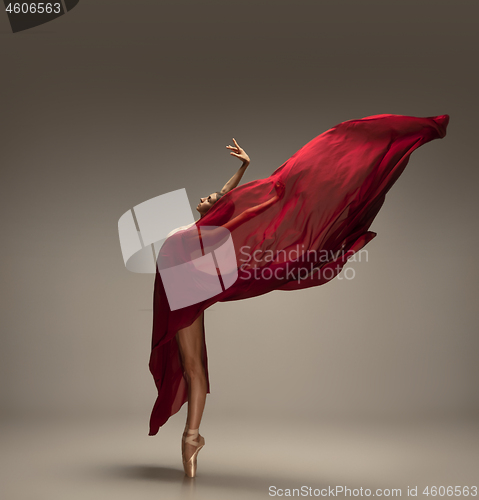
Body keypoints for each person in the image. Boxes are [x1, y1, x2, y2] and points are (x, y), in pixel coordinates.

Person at [149, 114, 449, 479]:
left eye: (211, 198)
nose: (205, 197)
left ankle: (191, 436)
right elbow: (219, 202)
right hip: (181, 296)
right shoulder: (192, 233)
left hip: (190, 293)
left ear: (216, 207)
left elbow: (235, 199)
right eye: (207, 196)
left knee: (196, 370)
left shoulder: (214, 229)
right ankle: (194, 440)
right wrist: (241, 170)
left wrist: (244, 172)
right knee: (194, 368)